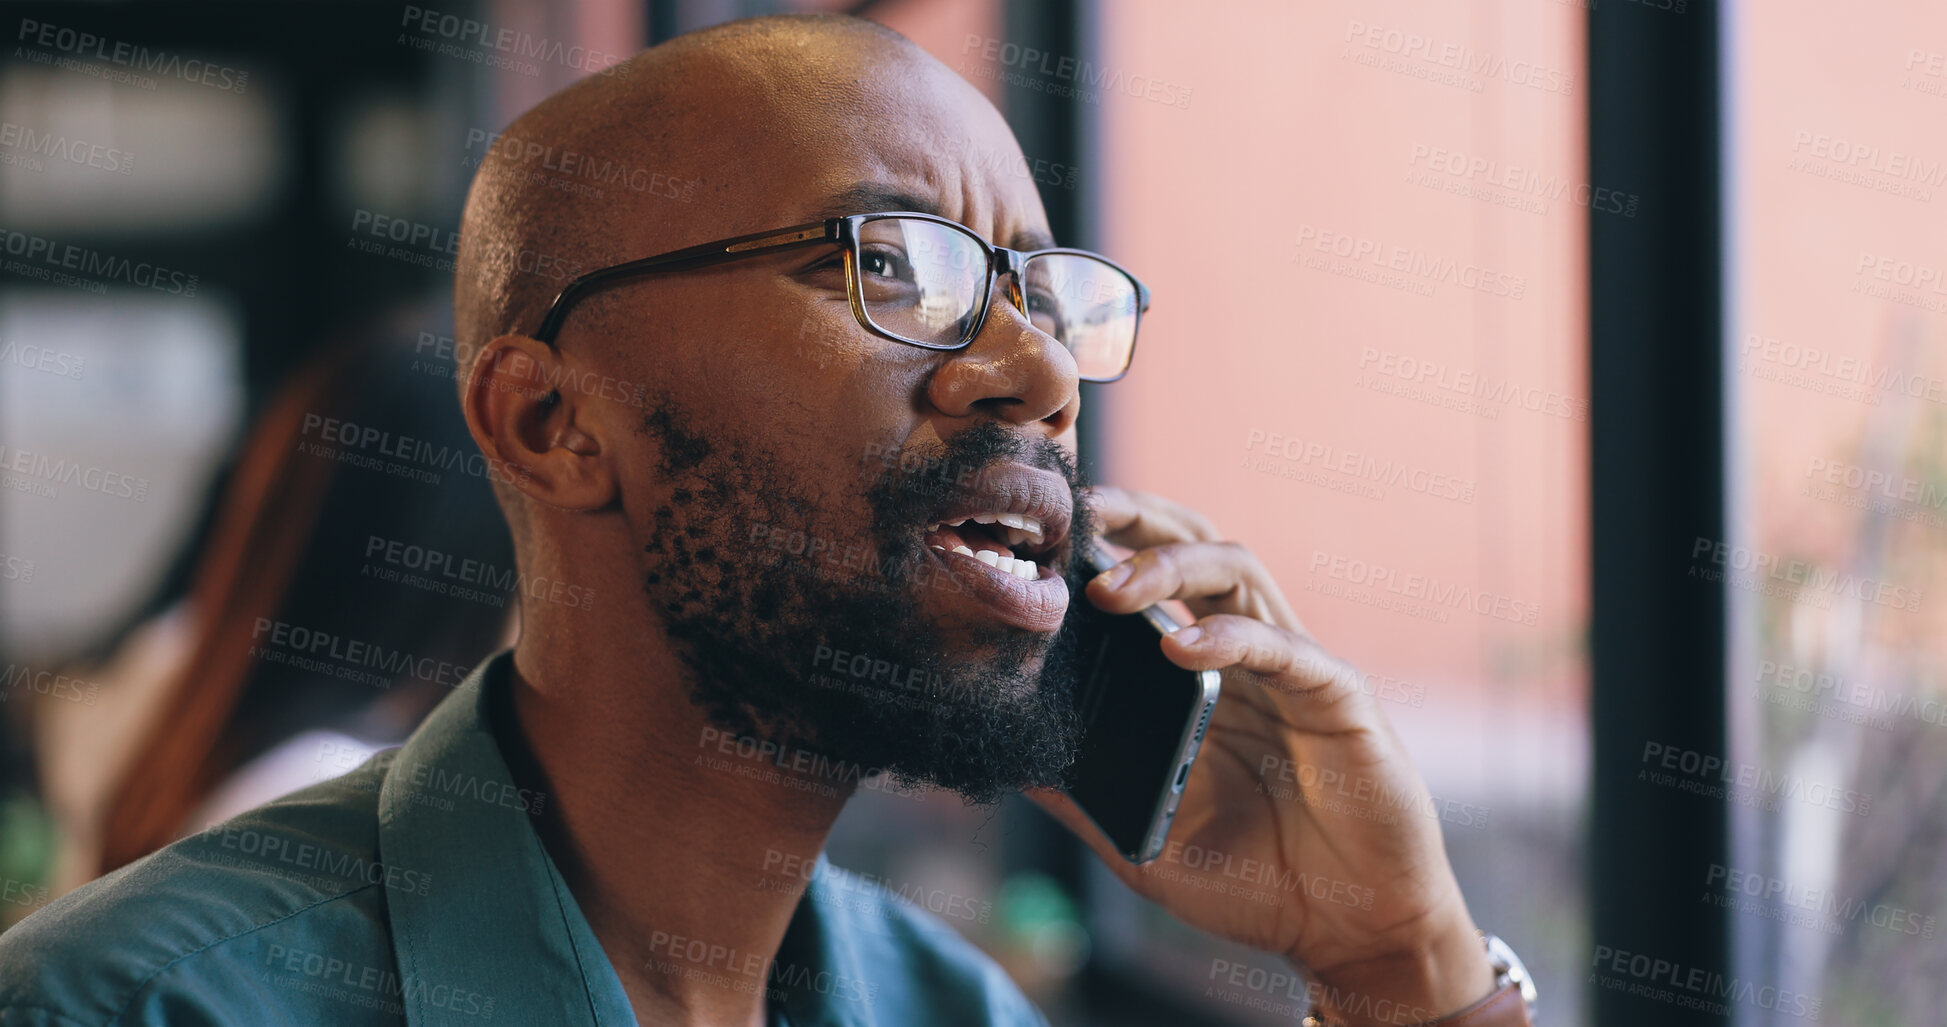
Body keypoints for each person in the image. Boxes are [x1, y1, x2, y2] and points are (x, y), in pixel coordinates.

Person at [0, 15, 1535, 1027]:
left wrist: (1396, 961)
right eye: (899, 269)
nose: (1039, 373)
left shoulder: (957, 1012)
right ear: (550, 422)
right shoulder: (136, 1009)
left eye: (1046, 297)